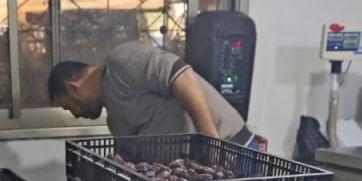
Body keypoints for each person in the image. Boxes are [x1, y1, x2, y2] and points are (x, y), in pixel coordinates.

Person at [49, 39, 256, 143]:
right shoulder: (115, 121)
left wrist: (211, 141)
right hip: (197, 176)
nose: (75, 114)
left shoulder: (121, 62)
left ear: (73, 88)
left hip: (232, 148)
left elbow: (183, 76)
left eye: (68, 107)